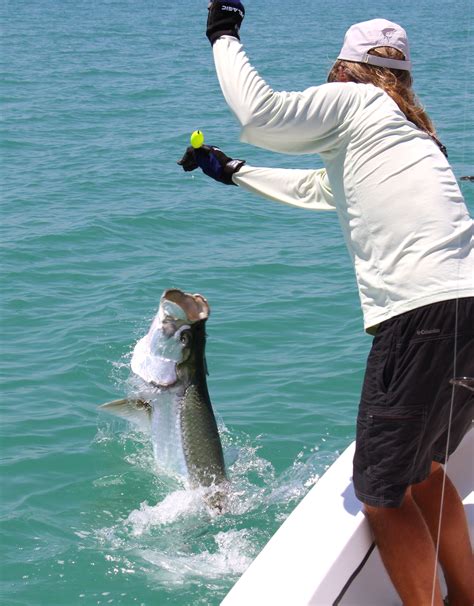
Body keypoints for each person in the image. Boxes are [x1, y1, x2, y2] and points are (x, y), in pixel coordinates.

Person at [179, 3, 474, 604]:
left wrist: (223, 33)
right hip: (466, 305)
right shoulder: (410, 130)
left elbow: (259, 114)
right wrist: (234, 172)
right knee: (425, 473)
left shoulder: (358, 102)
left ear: (344, 70)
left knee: (381, 492)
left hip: (419, 315)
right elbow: (323, 190)